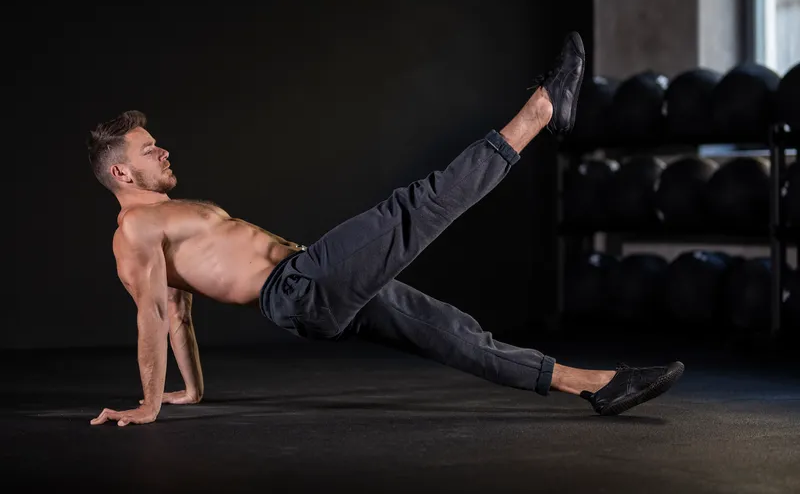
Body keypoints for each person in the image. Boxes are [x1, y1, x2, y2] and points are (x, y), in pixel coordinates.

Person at [87, 32, 683, 427]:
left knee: (454, 334)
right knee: (416, 207)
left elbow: (182, 313)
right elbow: (154, 314)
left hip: (310, 288)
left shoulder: (164, 218)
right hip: (300, 287)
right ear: (120, 171)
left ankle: (597, 385)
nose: (161, 150)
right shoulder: (135, 229)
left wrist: (190, 392)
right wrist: (147, 404)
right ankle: (540, 113)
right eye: (147, 149)